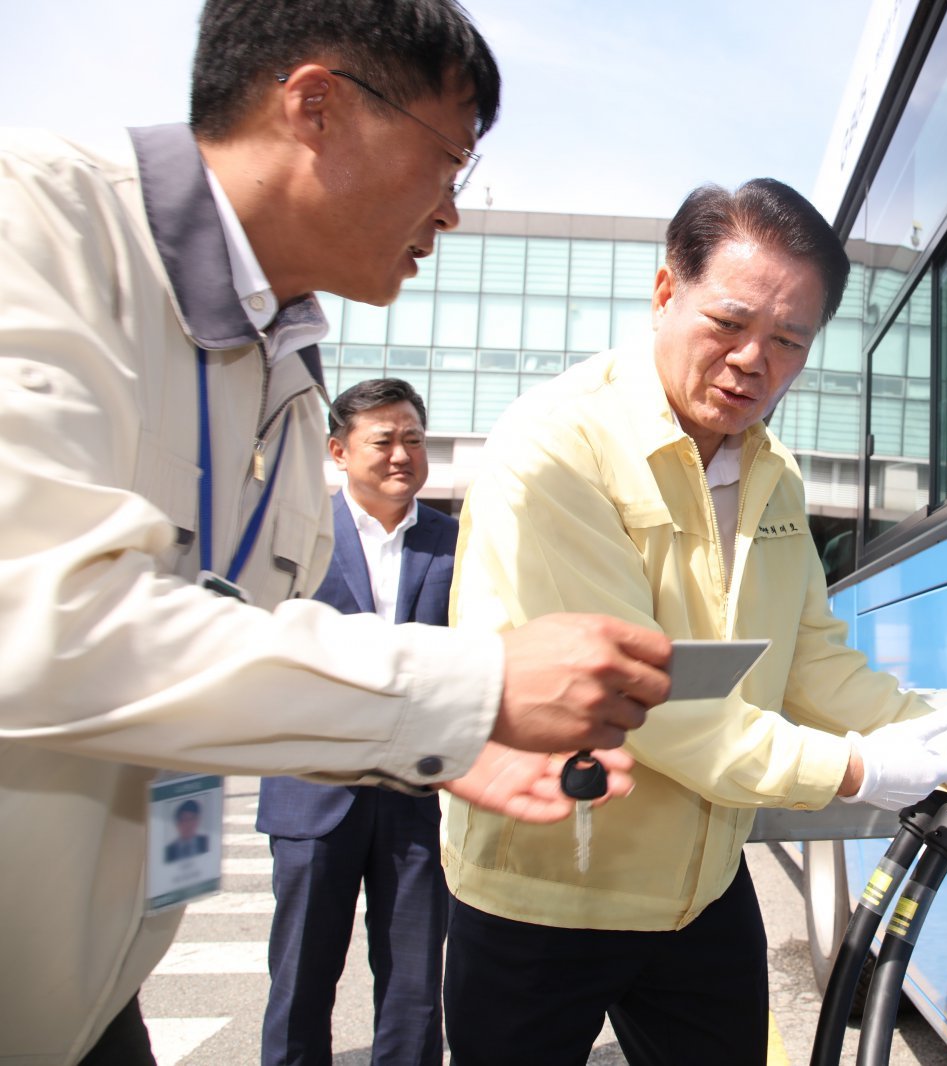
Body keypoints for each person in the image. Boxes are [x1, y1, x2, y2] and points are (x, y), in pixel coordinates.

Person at [0, 2, 671, 1062]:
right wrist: (472, 686)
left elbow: (225, 640)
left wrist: (438, 746)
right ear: (316, 105)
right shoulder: (32, 222)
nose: (450, 212)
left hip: (90, 992)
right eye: (448, 161)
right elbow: (38, 624)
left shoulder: (283, 369)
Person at [442, 178, 947, 1063]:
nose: (752, 361)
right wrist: (854, 769)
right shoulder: (556, 449)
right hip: (546, 891)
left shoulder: (772, 469)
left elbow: (812, 663)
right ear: (666, 292)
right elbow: (631, 697)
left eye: (787, 341)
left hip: (698, 892)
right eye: (728, 325)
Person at [257, 379, 456, 1065]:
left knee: (413, 985)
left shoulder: (454, 542)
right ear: (340, 451)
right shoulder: (299, 529)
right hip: (316, 789)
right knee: (301, 983)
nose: (402, 455)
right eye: (385, 441)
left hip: (415, 796)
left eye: (414, 439)